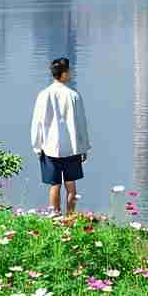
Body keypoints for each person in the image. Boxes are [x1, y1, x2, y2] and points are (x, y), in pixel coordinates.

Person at [31, 56, 90, 216]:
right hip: (71, 147)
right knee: (71, 186)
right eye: (69, 71)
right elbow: (81, 123)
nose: (71, 73)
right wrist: (84, 147)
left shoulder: (43, 95)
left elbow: (37, 123)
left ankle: (55, 217)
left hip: (49, 147)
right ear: (63, 73)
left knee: (55, 185)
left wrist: (37, 147)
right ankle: (70, 218)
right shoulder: (73, 95)